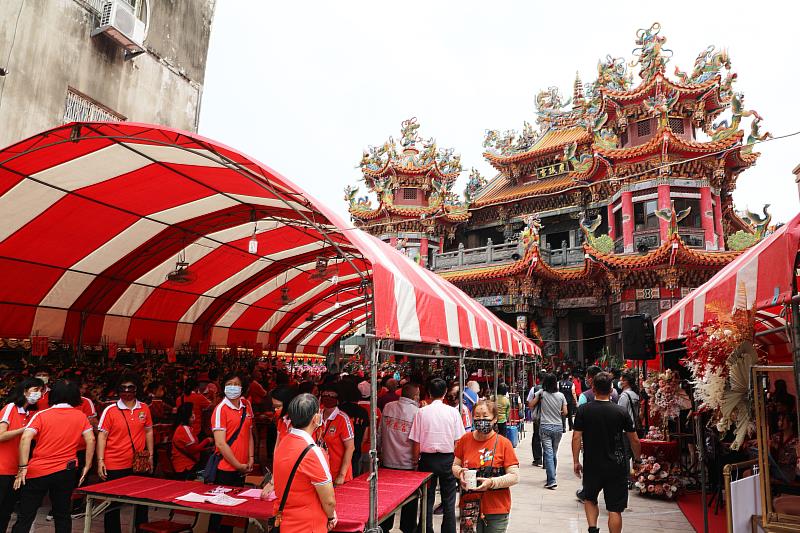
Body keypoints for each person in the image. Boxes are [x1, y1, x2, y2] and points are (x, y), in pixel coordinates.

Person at [11, 380, 95, 533]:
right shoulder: (80, 416)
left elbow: (25, 438)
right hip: (66, 471)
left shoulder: (42, 415)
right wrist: (87, 465)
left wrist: (23, 467)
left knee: (26, 514)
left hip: (38, 471)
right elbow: (91, 439)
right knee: (62, 514)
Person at [572, 372, 641, 533]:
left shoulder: (584, 410)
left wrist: (576, 461)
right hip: (616, 465)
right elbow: (635, 440)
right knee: (614, 509)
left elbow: (576, 437)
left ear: (593, 388)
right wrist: (637, 460)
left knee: (590, 498)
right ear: (611, 390)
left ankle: (593, 528)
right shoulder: (620, 412)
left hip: (592, 464)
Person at [271, 393, 337, 533]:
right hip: (308, 524)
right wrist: (331, 516)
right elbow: (329, 500)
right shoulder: (314, 452)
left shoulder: (284, 442)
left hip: (285, 520)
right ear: (315, 418)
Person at [97, 373, 154, 533]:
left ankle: (142, 530)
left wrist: (150, 455)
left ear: (136, 389)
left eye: (131, 388)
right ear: (118, 390)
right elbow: (102, 436)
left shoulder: (144, 408)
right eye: (123, 388)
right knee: (113, 504)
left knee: (142, 501)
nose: (127, 391)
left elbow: (149, 431)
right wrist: (100, 460)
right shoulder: (110, 410)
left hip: (139, 461)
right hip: (114, 462)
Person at [452, 400, 520, 533]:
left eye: (485, 416)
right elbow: (455, 465)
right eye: (477, 416)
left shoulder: (504, 443)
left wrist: (492, 482)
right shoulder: (465, 440)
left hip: (496, 508)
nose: (481, 420)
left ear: (495, 419)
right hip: (468, 506)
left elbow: (514, 476)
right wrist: (460, 472)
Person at [409, 377, 465, 533]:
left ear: (428, 392)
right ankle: (448, 530)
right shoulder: (453, 412)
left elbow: (416, 441)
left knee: (427, 498)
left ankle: (425, 529)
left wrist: (415, 461)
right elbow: (458, 441)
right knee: (449, 499)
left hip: (427, 460)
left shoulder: (421, 412)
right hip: (448, 459)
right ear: (445, 392)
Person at [209, 373, 255, 533]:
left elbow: (249, 433)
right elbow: (220, 443)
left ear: (242, 387)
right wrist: (237, 465)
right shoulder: (220, 409)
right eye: (230, 383)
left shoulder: (247, 405)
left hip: (242, 467)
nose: (233, 387)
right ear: (223, 387)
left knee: (234, 511)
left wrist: (250, 458)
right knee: (220, 513)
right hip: (225, 468)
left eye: (237, 384)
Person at [0, 377, 44, 531]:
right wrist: (25, 430)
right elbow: (1, 435)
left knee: (6, 511)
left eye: (41, 390)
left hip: (17, 470)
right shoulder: (11, 408)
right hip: (2, 468)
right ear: (25, 391)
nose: (38, 394)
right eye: (35, 390)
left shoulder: (31, 413)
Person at [378, 383, 421, 533]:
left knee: (386, 499)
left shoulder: (388, 407)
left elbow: (379, 433)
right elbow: (417, 440)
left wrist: (379, 451)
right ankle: (408, 528)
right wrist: (416, 461)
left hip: (388, 461)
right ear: (415, 396)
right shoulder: (417, 412)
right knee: (409, 501)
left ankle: (384, 526)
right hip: (408, 464)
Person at [530, 373, 567, 489]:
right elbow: (565, 412)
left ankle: (551, 480)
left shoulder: (542, 393)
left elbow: (531, 405)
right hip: (558, 427)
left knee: (548, 453)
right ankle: (553, 475)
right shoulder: (561, 396)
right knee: (553, 453)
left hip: (545, 427)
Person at [317, 383, 355, 485]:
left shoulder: (343, 419)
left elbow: (350, 448)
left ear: (338, 399)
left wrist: (341, 475)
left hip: (338, 475)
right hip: (320, 474)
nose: (328, 398)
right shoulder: (316, 415)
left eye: (332, 396)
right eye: (325, 395)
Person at [171, 403, 211, 480]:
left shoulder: (184, 428)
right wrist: (208, 440)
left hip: (185, 466)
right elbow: (194, 450)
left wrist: (206, 449)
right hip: (185, 467)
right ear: (188, 416)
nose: (194, 415)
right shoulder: (184, 429)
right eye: (192, 413)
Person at [336, 379, 368, 476]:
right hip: (355, 452)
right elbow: (365, 436)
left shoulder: (338, 411)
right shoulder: (363, 412)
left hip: (337, 453)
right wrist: (357, 447)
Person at [356, 379, 381, 475]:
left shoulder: (354, 409)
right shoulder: (376, 410)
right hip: (370, 449)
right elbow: (379, 432)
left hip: (356, 449)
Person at [617, 370, 641, 471]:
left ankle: (627, 478)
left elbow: (620, 413)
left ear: (626, 382)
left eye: (621, 380)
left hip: (625, 429)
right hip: (634, 427)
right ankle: (635, 474)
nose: (619, 382)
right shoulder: (635, 394)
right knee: (633, 453)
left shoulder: (624, 396)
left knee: (625, 454)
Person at [271, 384, 299, 449]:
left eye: (278, 407)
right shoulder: (282, 420)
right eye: (274, 407)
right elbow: (277, 444)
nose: (275, 410)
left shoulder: (299, 423)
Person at [526, 375, 544, 467]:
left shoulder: (534, 389)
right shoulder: (552, 389)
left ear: (538, 379)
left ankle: (538, 459)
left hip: (537, 417)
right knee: (547, 438)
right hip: (548, 417)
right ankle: (547, 459)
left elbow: (530, 403)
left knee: (536, 436)